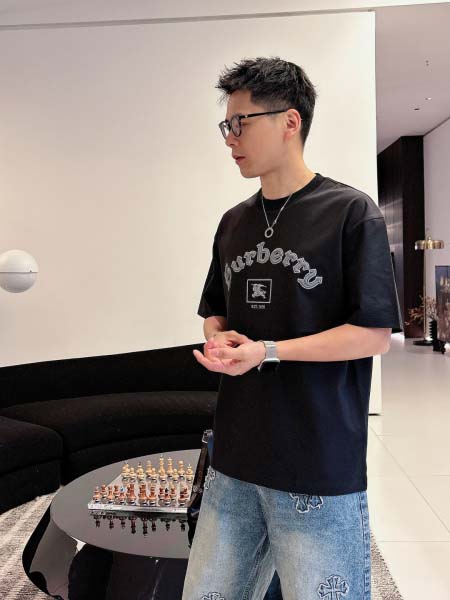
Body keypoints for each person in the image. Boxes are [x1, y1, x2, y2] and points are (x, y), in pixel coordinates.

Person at [181, 56, 403, 600]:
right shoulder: (233, 222)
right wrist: (219, 337)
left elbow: (373, 334)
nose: (231, 138)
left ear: (290, 121)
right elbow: (216, 311)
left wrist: (268, 351)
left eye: (242, 122)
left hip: (316, 463)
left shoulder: (350, 213)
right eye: (226, 125)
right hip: (234, 457)